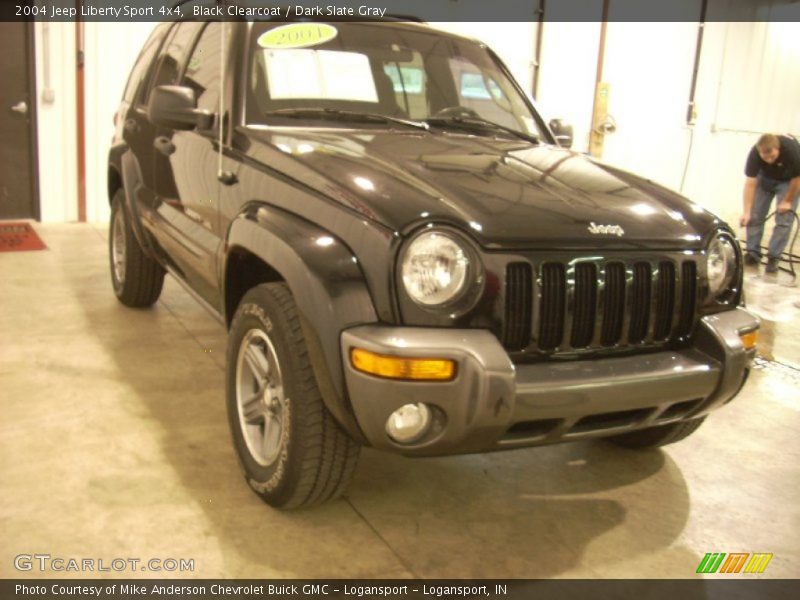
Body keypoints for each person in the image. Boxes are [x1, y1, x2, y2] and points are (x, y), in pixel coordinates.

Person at [740, 133, 800, 273]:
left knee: (784, 220)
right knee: (755, 215)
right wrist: (746, 212)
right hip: (765, 179)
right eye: (764, 157)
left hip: (788, 181)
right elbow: (750, 183)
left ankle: (774, 257)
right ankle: (752, 254)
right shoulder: (754, 154)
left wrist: (787, 201)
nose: (768, 160)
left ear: (777, 149)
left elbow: (797, 179)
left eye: (772, 157)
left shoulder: (792, 151)